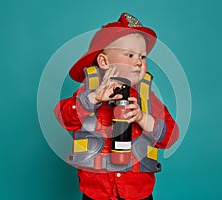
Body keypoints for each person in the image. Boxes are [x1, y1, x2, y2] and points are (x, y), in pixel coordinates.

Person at [54, 13, 179, 200]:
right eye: (130, 55)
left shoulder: (146, 98)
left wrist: (143, 118)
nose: (139, 62)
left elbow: (171, 136)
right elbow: (63, 117)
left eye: (142, 57)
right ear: (104, 62)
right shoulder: (87, 94)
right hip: (96, 193)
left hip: (138, 193)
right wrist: (93, 98)